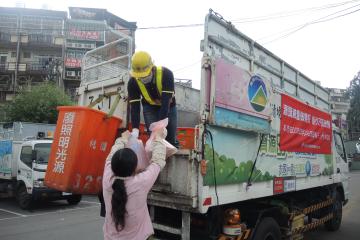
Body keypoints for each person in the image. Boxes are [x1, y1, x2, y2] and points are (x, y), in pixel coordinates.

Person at [102, 129, 167, 240]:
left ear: (113, 166)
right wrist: (159, 139)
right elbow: (158, 161)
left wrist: (122, 139)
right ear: (135, 168)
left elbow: (111, 155)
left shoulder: (107, 179)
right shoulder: (140, 182)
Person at [128, 51, 178, 147]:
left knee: (170, 138)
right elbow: (135, 108)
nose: (143, 78)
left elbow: (165, 103)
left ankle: (172, 153)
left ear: (152, 68)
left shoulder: (166, 74)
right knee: (154, 139)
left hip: (168, 106)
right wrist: (135, 130)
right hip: (149, 107)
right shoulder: (132, 83)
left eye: (145, 75)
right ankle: (156, 158)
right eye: (140, 76)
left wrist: (159, 125)